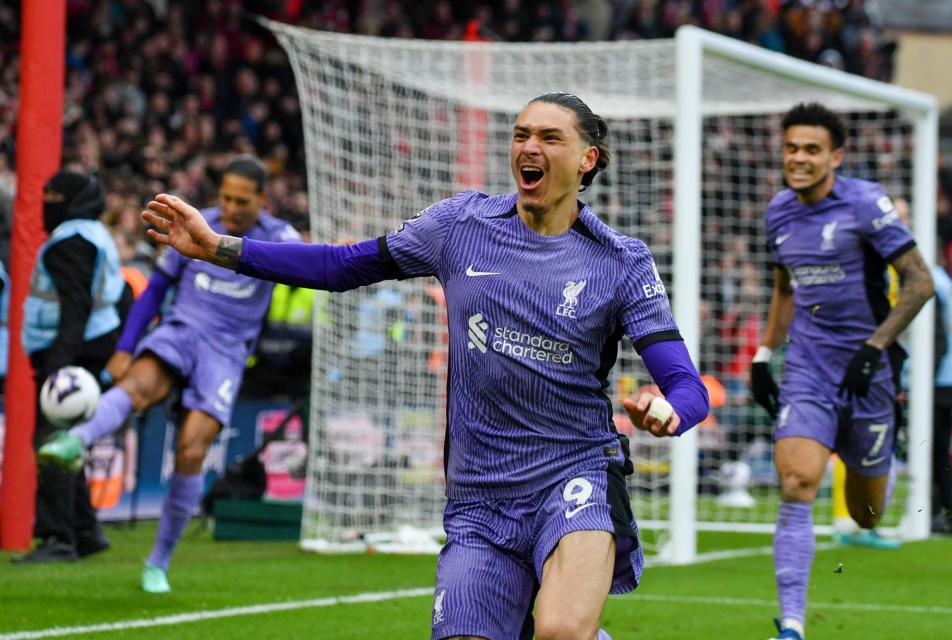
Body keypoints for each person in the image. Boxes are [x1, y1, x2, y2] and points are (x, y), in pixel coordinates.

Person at [138, 93, 710, 640]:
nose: (529, 146)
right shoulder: (461, 226)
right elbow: (341, 266)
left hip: (575, 473)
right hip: (480, 494)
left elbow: (687, 385)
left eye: (549, 137)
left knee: (560, 629)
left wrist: (669, 412)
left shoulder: (620, 259)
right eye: (520, 134)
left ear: (587, 159)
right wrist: (220, 247)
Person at [39, 155, 300, 592]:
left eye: (242, 200)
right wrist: (125, 347)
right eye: (226, 197)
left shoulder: (280, 237)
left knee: (192, 450)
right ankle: (72, 441)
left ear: (262, 199)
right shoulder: (194, 223)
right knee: (138, 385)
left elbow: (305, 265)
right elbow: (155, 289)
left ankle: (157, 562)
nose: (231, 208)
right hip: (182, 328)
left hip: (227, 351)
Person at [750, 103, 934, 640]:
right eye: (791, 148)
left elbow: (919, 282)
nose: (799, 158)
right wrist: (765, 355)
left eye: (811, 149)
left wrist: (875, 348)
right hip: (808, 368)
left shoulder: (865, 204)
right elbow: (786, 288)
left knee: (868, 512)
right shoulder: (779, 211)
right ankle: (791, 626)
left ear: (836, 156)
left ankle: (881, 466)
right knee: (796, 482)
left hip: (869, 373)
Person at [14, 170, 129, 564]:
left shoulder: (70, 241)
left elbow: (74, 310)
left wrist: (56, 369)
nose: (46, 202)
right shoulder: (95, 232)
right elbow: (121, 293)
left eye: (53, 195)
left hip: (71, 355)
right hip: (91, 348)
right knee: (67, 441)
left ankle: (58, 538)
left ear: (71, 200)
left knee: (50, 442)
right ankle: (85, 529)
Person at [931, 260, 952, 535]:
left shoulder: (930, 282)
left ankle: (939, 516)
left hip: (938, 381)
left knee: (932, 452)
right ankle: (946, 515)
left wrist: (922, 378)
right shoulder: (942, 279)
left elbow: (937, 339)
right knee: (938, 453)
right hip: (950, 377)